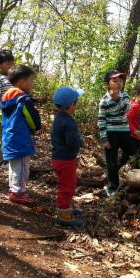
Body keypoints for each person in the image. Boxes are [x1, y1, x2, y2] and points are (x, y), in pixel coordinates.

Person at [1, 65, 42, 205]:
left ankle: (14, 189)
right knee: (23, 166)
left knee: (14, 166)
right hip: (21, 137)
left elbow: (2, 119)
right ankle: (18, 193)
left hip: (9, 137)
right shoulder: (23, 99)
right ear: (21, 82)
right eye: (31, 80)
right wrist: (37, 127)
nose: (32, 83)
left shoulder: (6, 97)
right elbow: (31, 117)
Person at [98, 69, 136, 197]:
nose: (119, 83)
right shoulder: (104, 101)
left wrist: (117, 98)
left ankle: (124, 170)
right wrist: (104, 138)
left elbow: (127, 109)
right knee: (111, 161)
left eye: (120, 81)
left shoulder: (124, 96)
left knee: (133, 152)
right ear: (108, 84)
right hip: (111, 134)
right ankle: (112, 186)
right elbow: (101, 120)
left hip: (124, 132)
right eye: (114, 81)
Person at [51, 87, 85, 228]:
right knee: (67, 187)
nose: (76, 106)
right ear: (71, 105)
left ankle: (66, 208)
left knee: (67, 184)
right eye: (76, 103)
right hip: (65, 160)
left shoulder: (59, 117)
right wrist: (80, 140)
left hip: (59, 158)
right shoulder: (68, 121)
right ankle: (64, 216)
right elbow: (72, 141)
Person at [0, 49, 15, 168]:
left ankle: (7, 159)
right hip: (2, 113)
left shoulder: (15, 79)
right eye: (7, 63)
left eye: (12, 63)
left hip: (14, 113)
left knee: (10, 136)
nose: (10, 66)